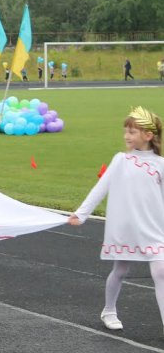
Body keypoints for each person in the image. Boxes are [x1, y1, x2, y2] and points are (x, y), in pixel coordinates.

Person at [68, 106, 164, 333]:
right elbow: (101, 187)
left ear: (148, 135)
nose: (126, 136)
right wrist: (81, 213)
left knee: (161, 271)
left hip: (153, 227)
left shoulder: (161, 164)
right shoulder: (121, 160)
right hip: (126, 227)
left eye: (132, 132)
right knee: (120, 270)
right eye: (126, 131)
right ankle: (109, 310)